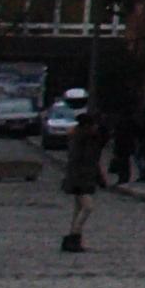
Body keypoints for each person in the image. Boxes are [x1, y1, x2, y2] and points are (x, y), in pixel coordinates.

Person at [61, 105, 106, 251]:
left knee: (78, 210)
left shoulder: (82, 138)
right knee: (87, 207)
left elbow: (93, 162)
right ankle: (74, 236)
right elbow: (83, 161)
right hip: (81, 179)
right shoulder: (84, 140)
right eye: (94, 125)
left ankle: (74, 240)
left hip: (81, 178)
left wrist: (99, 178)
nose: (96, 127)